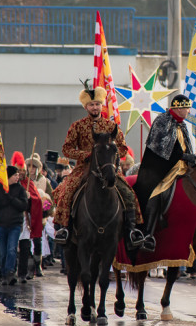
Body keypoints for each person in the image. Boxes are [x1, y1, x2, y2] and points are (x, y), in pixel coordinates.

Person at [52, 85, 143, 249]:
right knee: (66, 191)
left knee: (129, 194)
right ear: (86, 107)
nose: (94, 107)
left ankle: (132, 230)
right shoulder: (77, 126)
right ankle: (64, 229)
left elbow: (123, 148)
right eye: (91, 105)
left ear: (102, 106)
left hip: (108, 169)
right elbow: (66, 149)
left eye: (97, 104)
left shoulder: (111, 126)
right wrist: (86, 155)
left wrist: (112, 151)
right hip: (83, 169)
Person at [133, 94, 196, 253]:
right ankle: (147, 233)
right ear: (177, 107)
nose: (187, 111)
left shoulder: (182, 125)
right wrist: (184, 156)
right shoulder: (162, 120)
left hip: (183, 167)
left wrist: (192, 158)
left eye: (188, 108)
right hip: (161, 168)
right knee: (157, 191)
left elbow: (186, 146)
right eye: (185, 108)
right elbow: (160, 149)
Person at [0, 165, 28, 283]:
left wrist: (11, 199)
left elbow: (24, 205)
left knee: (12, 249)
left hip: (15, 224)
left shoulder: (20, 189)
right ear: (9, 176)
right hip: (2, 224)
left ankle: (10, 271)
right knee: (3, 250)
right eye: (15, 175)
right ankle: (4, 273)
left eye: (18, 175)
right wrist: (2, 203)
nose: (18, 177)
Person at [12, 151, 44, 281]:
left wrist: (30, 198)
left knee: (25, 247)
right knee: (12, 248)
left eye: (22, 170)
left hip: (25, 220)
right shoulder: (9, 184)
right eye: (18, 171)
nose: (21, 173)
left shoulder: (28, 183)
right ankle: (10, 271)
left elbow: (37, 200)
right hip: (12, 219)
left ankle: (22, 273)